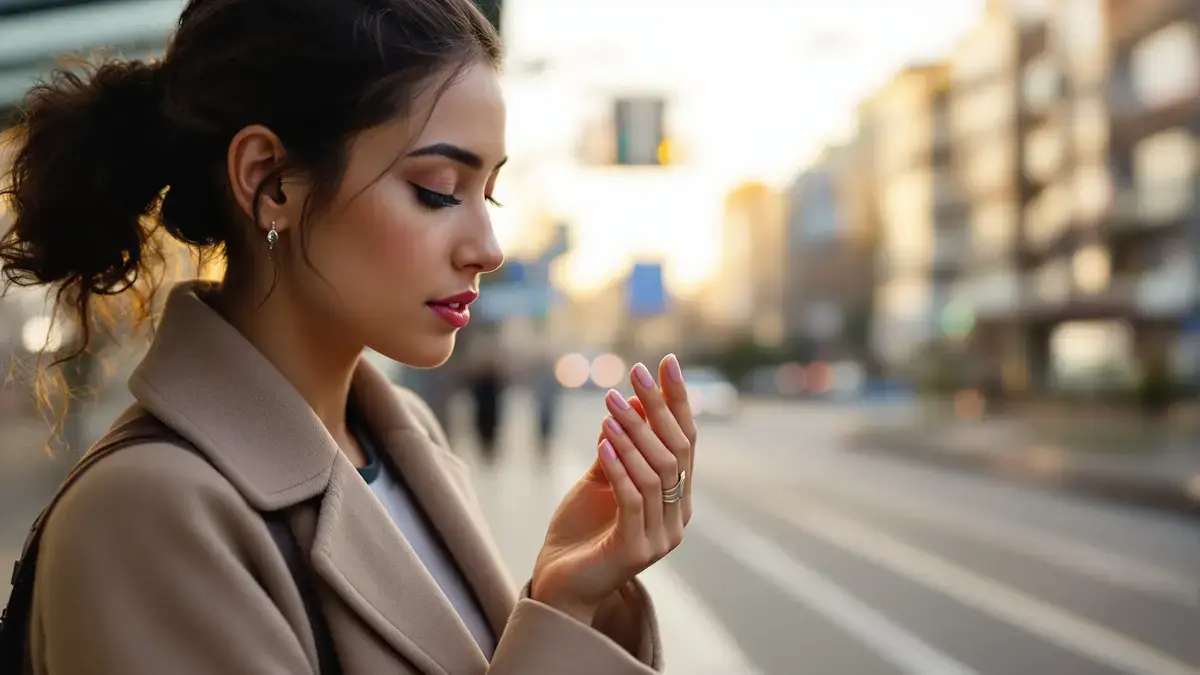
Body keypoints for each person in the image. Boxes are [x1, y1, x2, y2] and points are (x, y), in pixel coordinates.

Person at [0, 1, 698, 673]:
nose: (488, 247)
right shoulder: (146, 518)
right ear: (270, 182)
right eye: (436, 189)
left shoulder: (403, 438)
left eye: (487, 193)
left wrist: (567, 595)